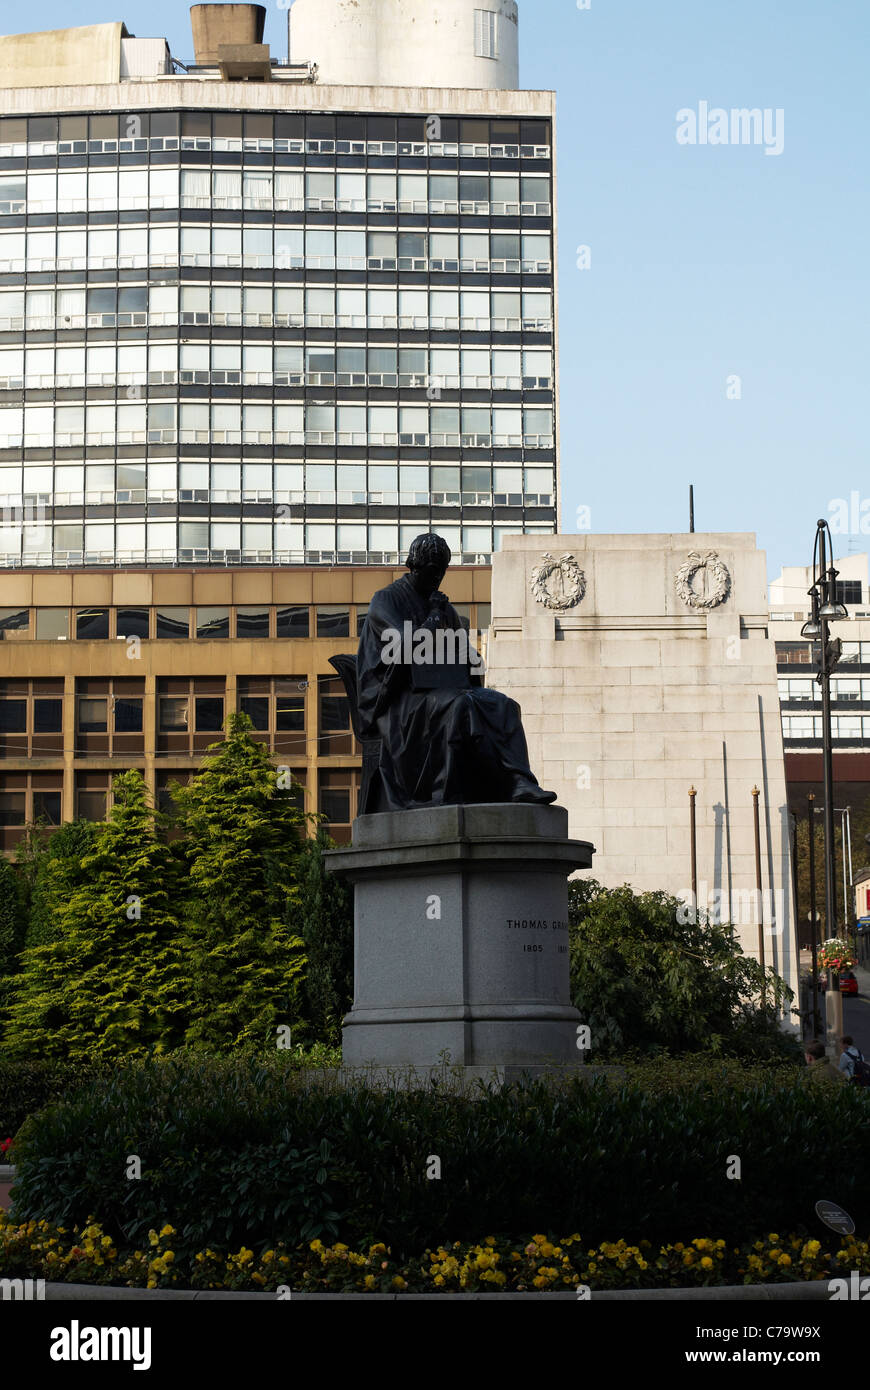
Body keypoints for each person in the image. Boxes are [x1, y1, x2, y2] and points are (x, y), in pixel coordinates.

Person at [356, 533, 557, 812]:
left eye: (442, 571)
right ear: (413, 566)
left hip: (444, 689)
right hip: (399, 698)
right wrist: (435, 618)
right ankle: (445, 792)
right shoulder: (387, 600)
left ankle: (518, 780)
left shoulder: (444, 607)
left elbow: (470, 659)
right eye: (431, 571)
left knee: (503, 706)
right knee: (461, 705)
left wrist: (468, 660)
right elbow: (402, 648)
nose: (437, 578)